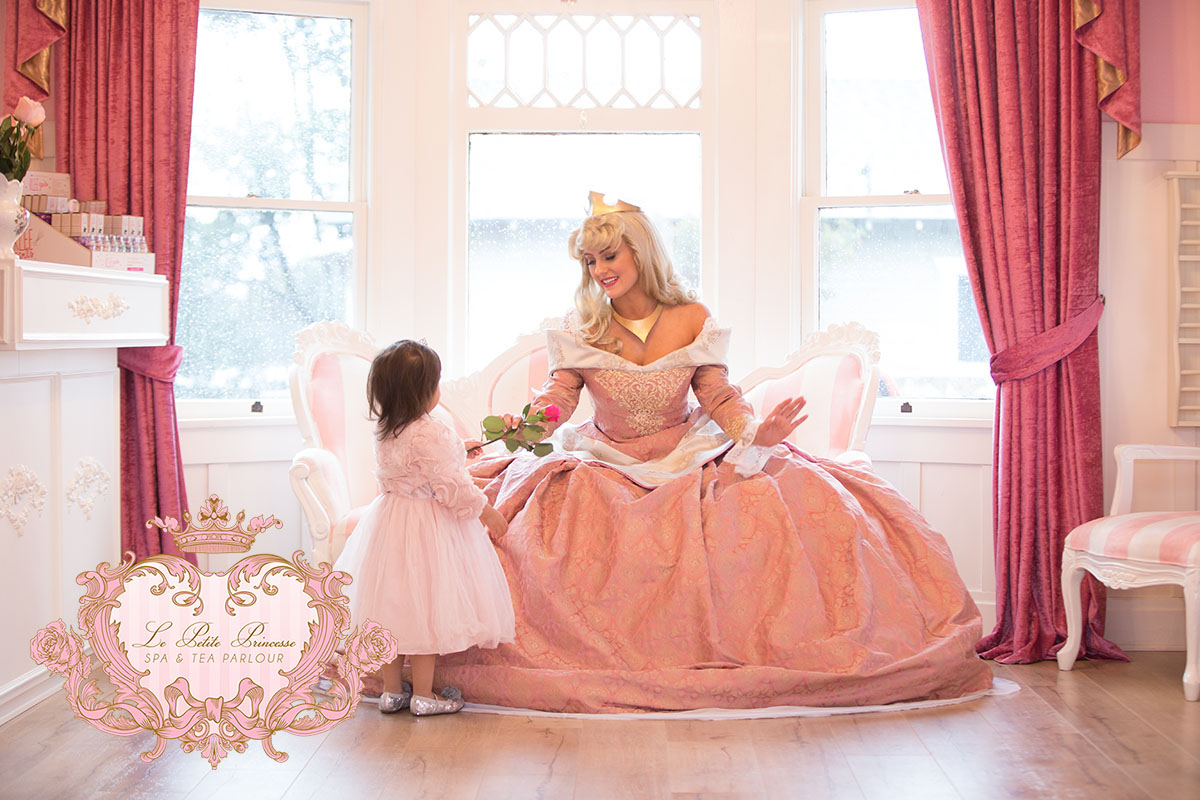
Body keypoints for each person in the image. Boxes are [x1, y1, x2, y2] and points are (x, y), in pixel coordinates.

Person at [437, 193, 993, 713]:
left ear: (640, 251)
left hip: (686, 449)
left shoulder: (691, 317)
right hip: (605, 455)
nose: (600, 269)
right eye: (590, 261)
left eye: (610, 255)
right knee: (540, 522)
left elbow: (717, 395)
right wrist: (530, 422)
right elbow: (559, 397)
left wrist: (756, 432)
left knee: (778, 506)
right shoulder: (584, 326)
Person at [334, 339, 515, 716]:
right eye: (435, 384)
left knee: (388, 609)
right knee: (424, 610)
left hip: (389, 523)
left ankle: (391, 692)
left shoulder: (386, 428)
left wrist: (459, 448)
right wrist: (486, 512)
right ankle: (423, 694)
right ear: (422, 392)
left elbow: (417, 464)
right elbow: (452, 486)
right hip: (426, 528)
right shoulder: (433, 431)